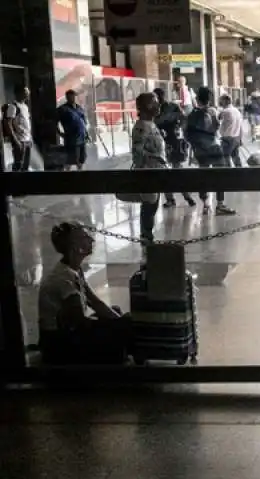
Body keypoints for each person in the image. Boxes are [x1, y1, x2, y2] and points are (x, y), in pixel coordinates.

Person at [37, 222, 131, 365]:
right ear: (76, 247)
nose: (92, 240)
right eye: (85, 238)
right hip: (58, 345)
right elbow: (79, 322)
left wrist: (118, 322)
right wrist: (118, 326)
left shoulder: (73, 269)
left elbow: (94, 302)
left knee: (116, 313)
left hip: (65, 334)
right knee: (118, 327)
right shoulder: (64, 277)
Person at [185, 87, 236, 215]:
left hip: (200, 150)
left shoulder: (192, 114)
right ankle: (220, 204)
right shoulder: (213, 111)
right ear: (209, 99)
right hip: (214, 148)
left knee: (204, 176)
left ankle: (206, 204)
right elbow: (216, 127)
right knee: (219, 175)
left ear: (197, 99)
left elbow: (187, 134)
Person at [130, 92, 166, 244]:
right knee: (149, 206)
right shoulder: (142, 126)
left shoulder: (151, 124)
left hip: (156, 172)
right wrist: (153, 157)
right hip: (148, 173)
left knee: (153, 205)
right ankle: (146, 237)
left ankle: (147, 235)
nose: (157, 105)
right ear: (143, 107)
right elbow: (137, 153)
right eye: (153, 103)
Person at [153, 88, 195, 208]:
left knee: (175, 171)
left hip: (172, 142)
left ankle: (184, 197)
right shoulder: (164, 108)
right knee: (171, 171)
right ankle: (178, 198)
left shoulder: (169, 107)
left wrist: (179, 129)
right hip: (165, 142)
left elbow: (183, 119)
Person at [56, 89, 88, 171]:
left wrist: (87, 134)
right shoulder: (63, 109)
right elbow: (54, 122)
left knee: (81, 159)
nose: (72, 97)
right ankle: (68, 176)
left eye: (73, 95)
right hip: (72, 139)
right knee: (70, 160)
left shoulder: (79, 108)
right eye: (70, 96)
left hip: (82, 137)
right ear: (67, 97)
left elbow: (83, 122)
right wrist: (59, 133)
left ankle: (80, 174)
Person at [4, 84, 33, 172]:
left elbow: (26, 124)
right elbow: (8, 124)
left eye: (28, 92)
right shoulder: (13, 106)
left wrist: (30, 138)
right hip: (20, 141)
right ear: (19, 93)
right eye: (25, 92)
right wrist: (15, 140)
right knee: (18, 165)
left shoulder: (25, 106)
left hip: (27, 140)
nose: (28, 94)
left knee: (26, 166)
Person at [218, 94, 244, 168]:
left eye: (221, 101)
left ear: (225, 101)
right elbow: (241, 127)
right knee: (236, 158)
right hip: (236, 138)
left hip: (227, 139)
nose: (220, 103)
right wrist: (240, 139)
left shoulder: (225, 111)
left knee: (225, 159)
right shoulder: (237, 111)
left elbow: (217, 120)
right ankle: (240, 174)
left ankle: (229, 175)